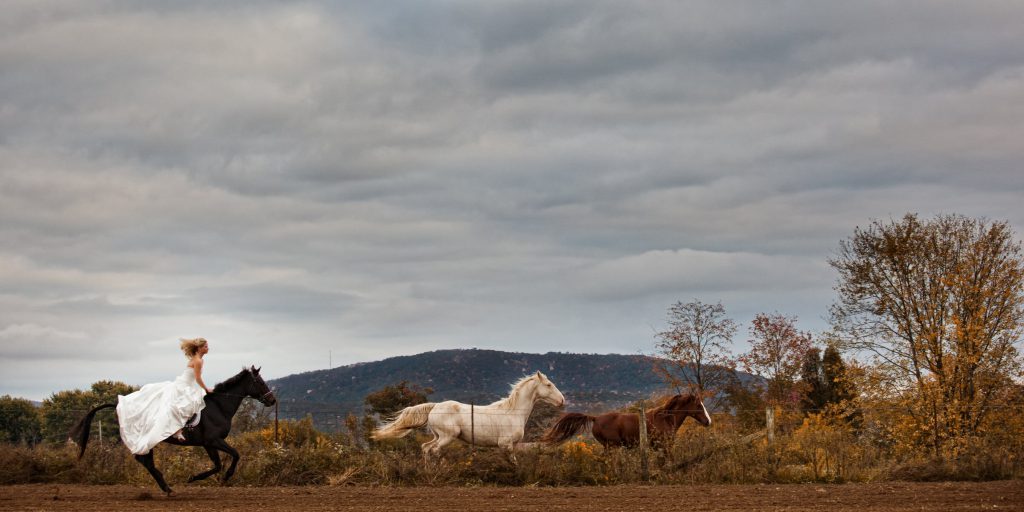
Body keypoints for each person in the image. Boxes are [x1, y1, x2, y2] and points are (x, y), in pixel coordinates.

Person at [116, 337, 211, 455]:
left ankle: (181, 428)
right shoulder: (197, 361)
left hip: (188, 385)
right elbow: (197, 378)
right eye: (206, 346)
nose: (208, 348)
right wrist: (206, 388)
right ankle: (177, 430)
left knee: (190, 403)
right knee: (184, 405)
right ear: (199, 348)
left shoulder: (199, 360)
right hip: (185, 386)